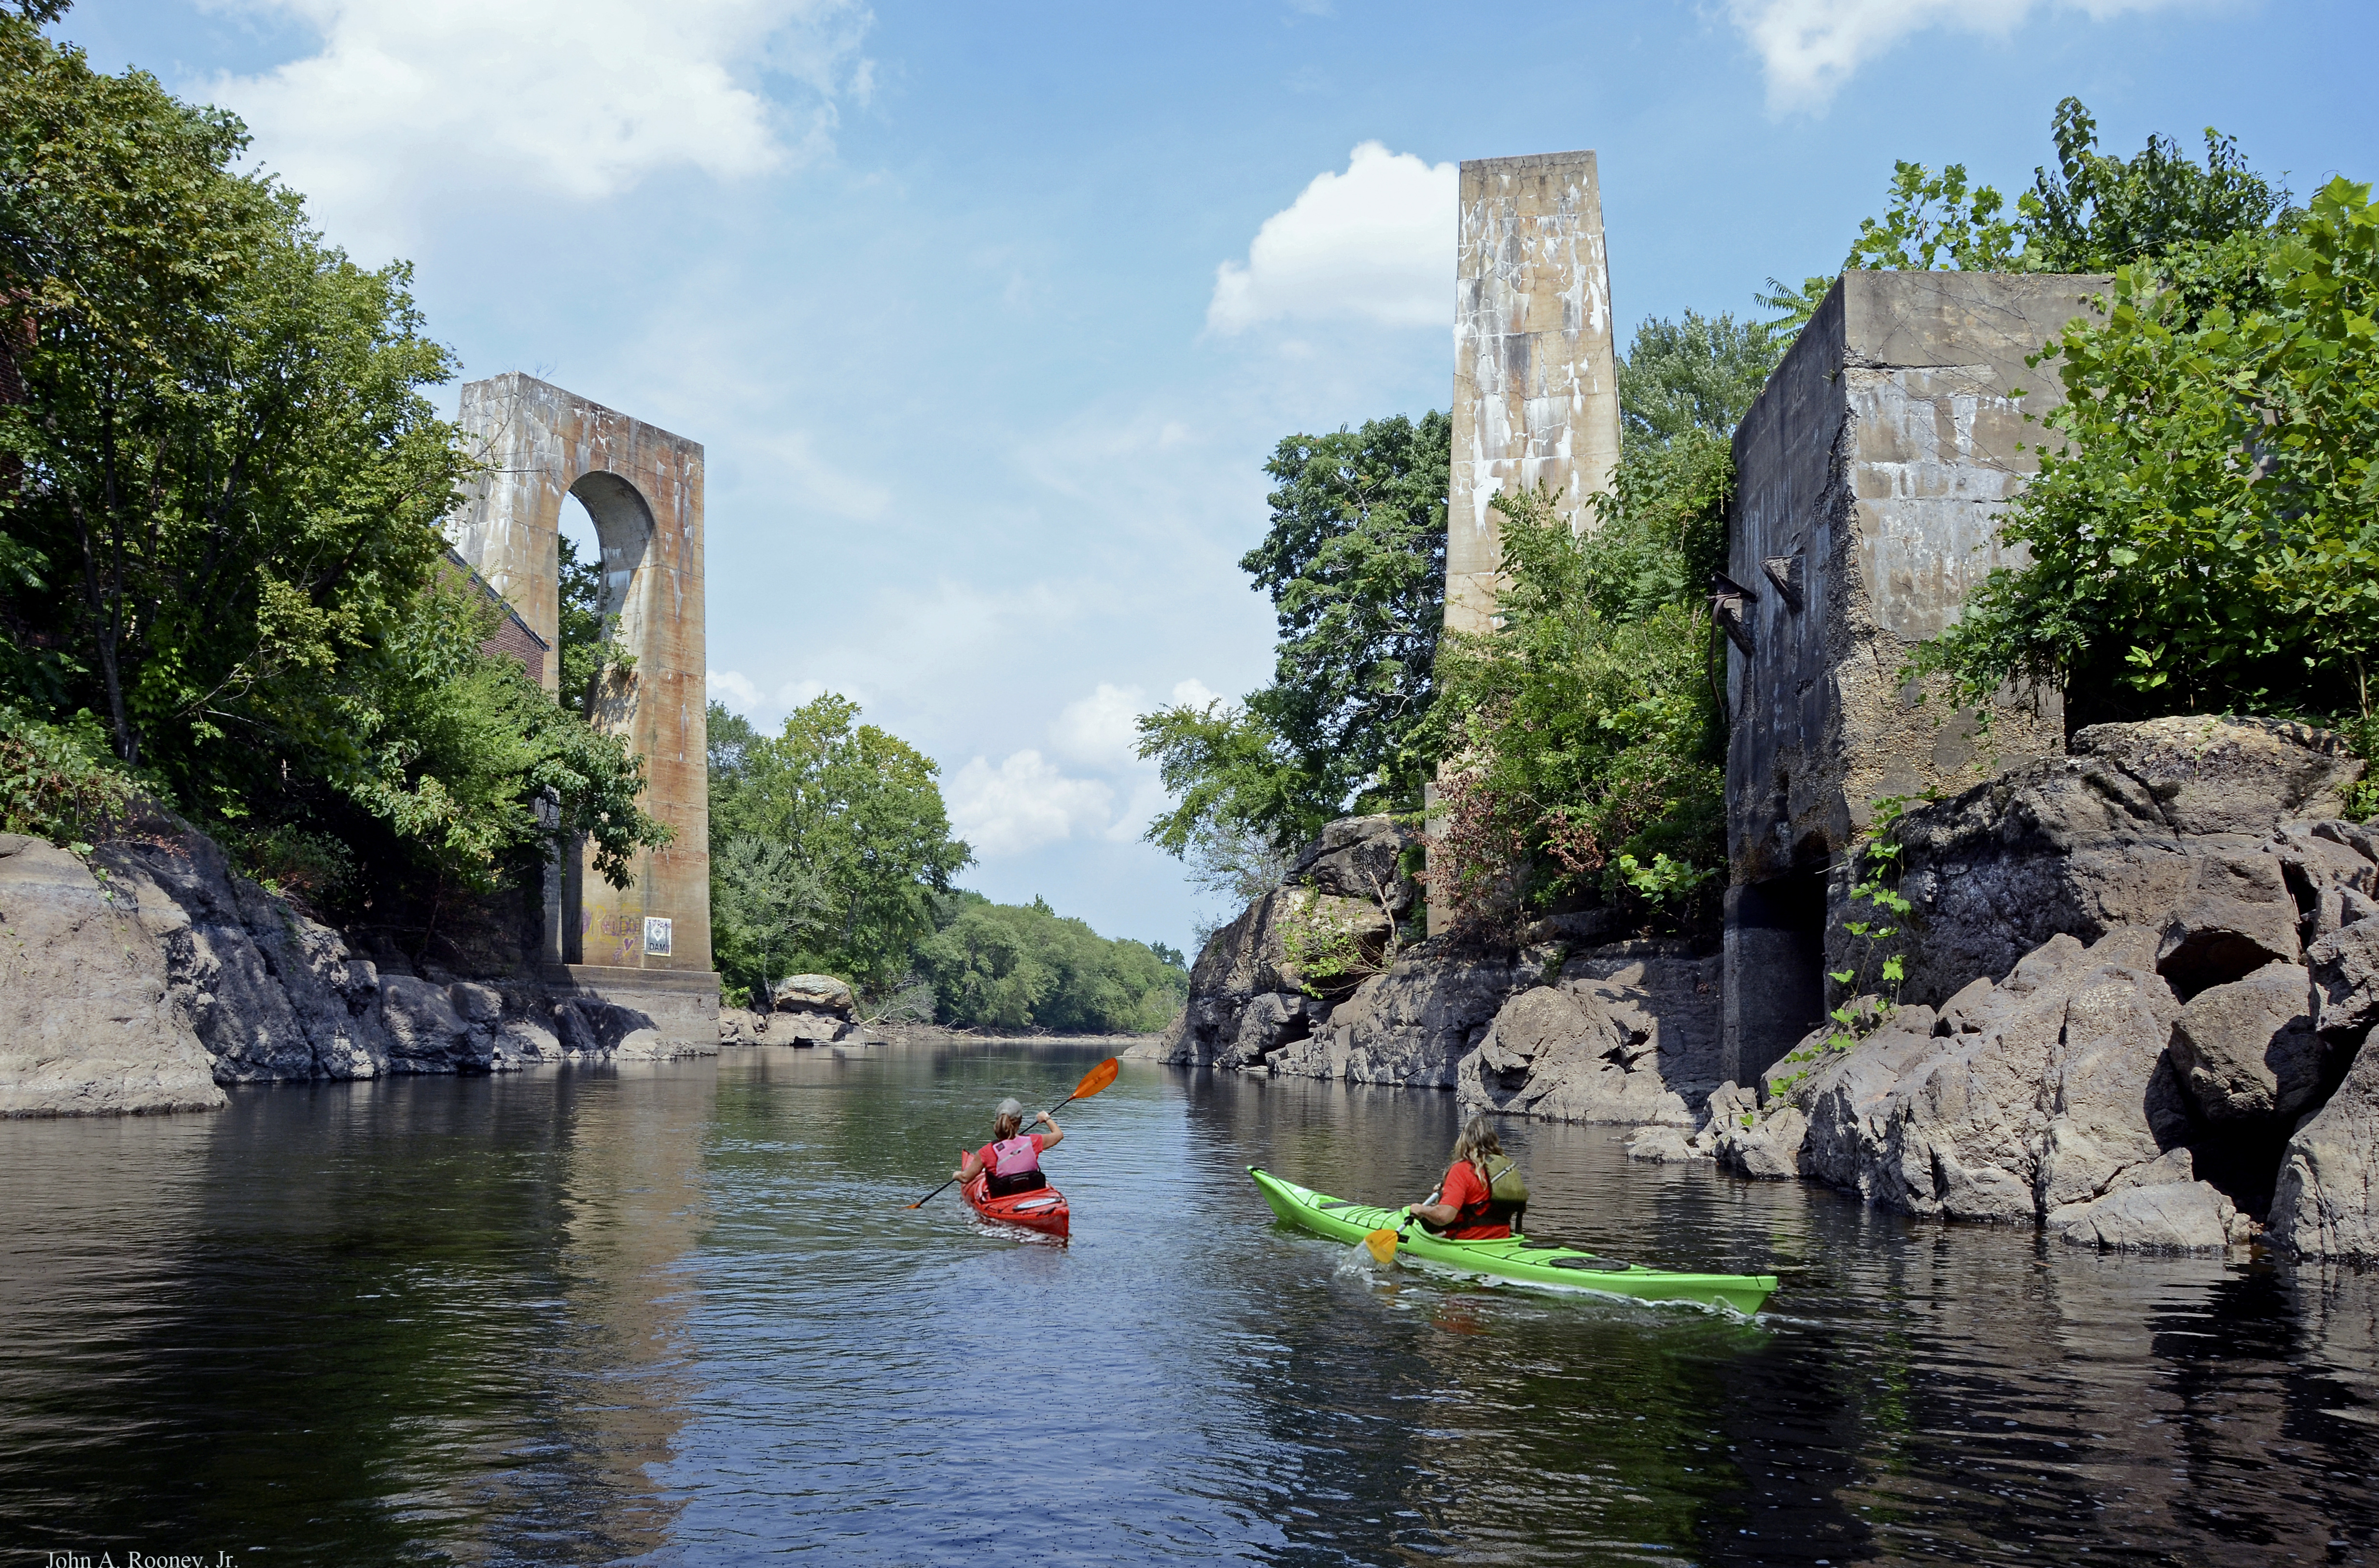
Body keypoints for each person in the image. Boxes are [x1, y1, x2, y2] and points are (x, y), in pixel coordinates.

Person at [1408, 1116, 1516, 1240]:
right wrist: (1447, 1194)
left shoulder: (1462, 1170)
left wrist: (1421, 1210)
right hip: (1500, 1238)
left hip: (1469, 1240)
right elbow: (1479, 1199)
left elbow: (1444, 1217)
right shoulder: (1504, 1168)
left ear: (1465, 1141)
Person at [954, 1097, 1064, 1197]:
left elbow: (966, 1178)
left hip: (1003, 1197)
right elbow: (1058, 1135)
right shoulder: (1033, 1141)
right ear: (1020, 1121)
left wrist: (956, 1175)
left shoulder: (986, 1152)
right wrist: (1046, 1118)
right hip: (1033, 1191)